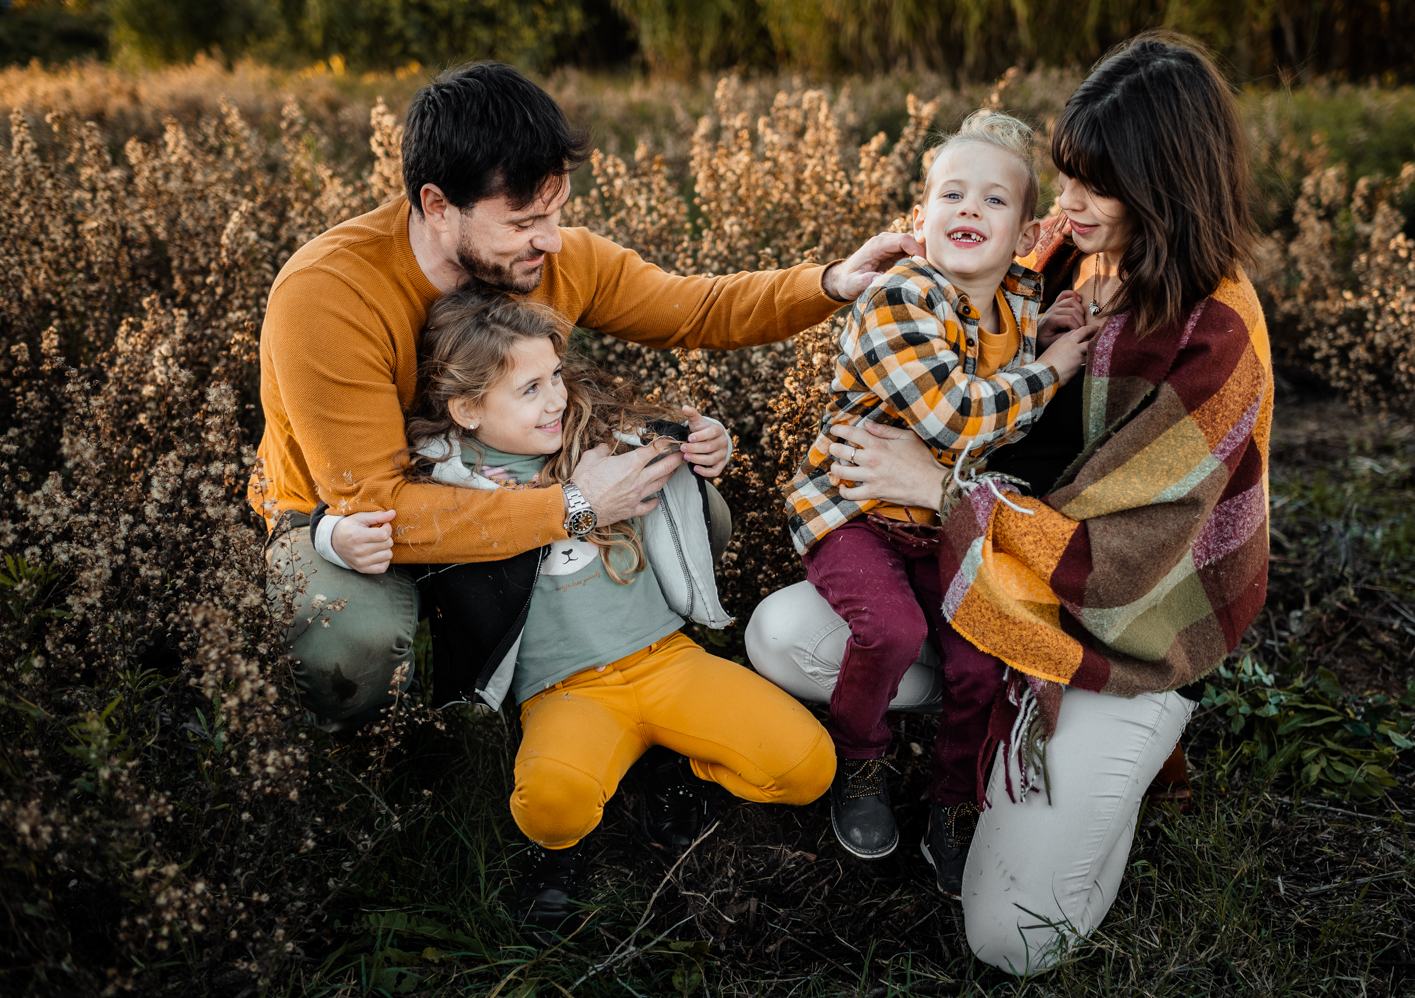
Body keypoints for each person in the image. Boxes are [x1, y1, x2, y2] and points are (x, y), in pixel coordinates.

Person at [748, 32, 1271, 973]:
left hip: (1129, 624)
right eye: (1063, 179)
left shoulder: (1219, 339)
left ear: (1163, 190)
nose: (1061, 205)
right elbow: (961, 267)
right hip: (1000, 562)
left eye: (1089, 186)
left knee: (1011, 942)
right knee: (784, 634)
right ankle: (967, 713)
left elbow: (1132, 556)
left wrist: (940, 488)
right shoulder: (1074, 250)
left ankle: (1124, 755)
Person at [254, 62, 918, 733]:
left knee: (696, 510)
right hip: (344, 523)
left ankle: (604, 665)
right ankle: (377, 748)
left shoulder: (549, 257)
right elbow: (378, 505)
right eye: (523, 221)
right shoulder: (328, 296)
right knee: (352, 645)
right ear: (435, 205)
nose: (549, 239)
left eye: (557, 211)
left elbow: (694, 308)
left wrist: (832, 281)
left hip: (509, 480)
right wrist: (575, 507)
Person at [396, 290, 835, 943]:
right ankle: (559, 855)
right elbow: (374, 515)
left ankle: (674, 770)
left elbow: (676, 439)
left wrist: (707, 442)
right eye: (528, 390)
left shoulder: (598, 438)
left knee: (807, 765)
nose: (554, 400)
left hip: (668, 661)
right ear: (466, 408)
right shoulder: (446, 483)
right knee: (551, 806)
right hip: (566, 691)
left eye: (556, 378)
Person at [777, 110, 1092, 893]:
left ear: (1027, 234)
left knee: (982, 656)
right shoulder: (899, 297)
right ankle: (860, 758)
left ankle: (955, 799)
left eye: (994, 201)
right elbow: (959, 418)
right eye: (952, 194)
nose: (969, 211)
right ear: (920, 218)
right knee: (890, 628)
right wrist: (1050, 367)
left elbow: (1003, 356)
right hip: (859, 514)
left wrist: (1040, 331)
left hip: (941, 520)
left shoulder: (1018, 297)